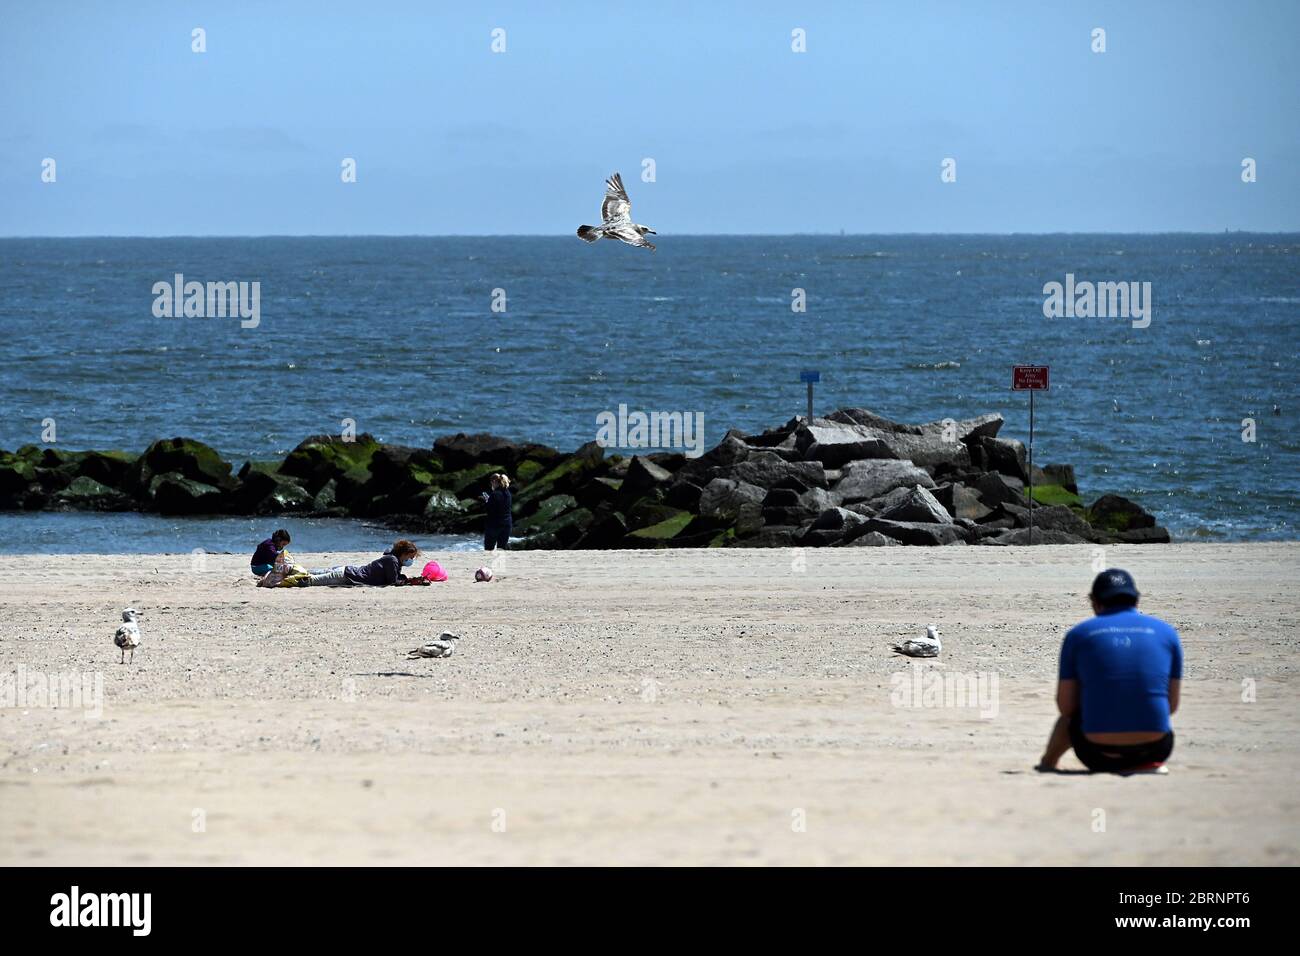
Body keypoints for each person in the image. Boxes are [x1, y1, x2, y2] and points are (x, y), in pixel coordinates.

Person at [1036, 569, 1183, 774]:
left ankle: (1048, 763)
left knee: (1073, 713)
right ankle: (1145, 763)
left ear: (1094, 602)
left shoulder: (1078, 635)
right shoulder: (1167, 633)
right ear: (1136, 600)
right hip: (1154, 750)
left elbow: (1066, 707)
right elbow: (1171, 706)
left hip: (1096, 754)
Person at [300, 540, 420, 587]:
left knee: (310, 574)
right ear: (403, 554)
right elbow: (392, 580)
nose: (411, 560)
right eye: (411, 557)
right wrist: (407, 581)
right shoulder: (392, 560)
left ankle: (292, 572)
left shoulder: (392, 558)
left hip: (347, 573)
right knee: (310, 581)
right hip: (346, 575)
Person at [481, 473, 513, 551]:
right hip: (507, 524)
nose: (492, 485)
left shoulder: (495, 494)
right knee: (501, 549)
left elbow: (489, 509)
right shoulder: (508, 493)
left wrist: (487, 501)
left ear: (494, 482)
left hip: (494, 525)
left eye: (492, 483)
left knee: (489, 549)